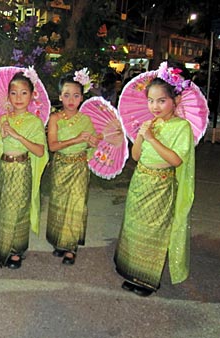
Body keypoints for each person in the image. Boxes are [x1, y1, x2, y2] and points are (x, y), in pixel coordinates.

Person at [114, 62, 195, 297]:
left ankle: (148, 280)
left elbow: (175, 160)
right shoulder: (151, 124)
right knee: (135, 227)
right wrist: (141, 135)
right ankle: (132, 272)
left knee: (153, 232)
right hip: (140, 181)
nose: (155, 106)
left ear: (176, 101)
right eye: (151, 100)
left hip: (161, 185)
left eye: (161, 100)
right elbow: (137, 156)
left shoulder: (182, 127)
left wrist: (151, 138)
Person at [0, 69, 48, 269]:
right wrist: (0, 135)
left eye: (24, 92)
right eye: (14, 93)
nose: (18, 97)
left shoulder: (35, 122)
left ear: (32, 95)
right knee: (3, 208)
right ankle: (3, 246)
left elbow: (40, 151)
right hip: (3, 169)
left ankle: (17, 250)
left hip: (22, 169)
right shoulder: (2, 119)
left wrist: (17, 136)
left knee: (20, 209)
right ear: (8, 96)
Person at [46, 69, 99, 265]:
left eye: (76, 95)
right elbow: (53, 146)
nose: (71, 99)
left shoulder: (86, 119)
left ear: (82, 98)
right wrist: (76, 139)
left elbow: (93, 144)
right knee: (60, 204)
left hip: (79, 167)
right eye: (66, 95)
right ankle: (60, 242)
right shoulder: (55, 119)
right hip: (61, 166)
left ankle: (71, 247)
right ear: (60, 96)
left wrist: (95, 141)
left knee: (76, 205)